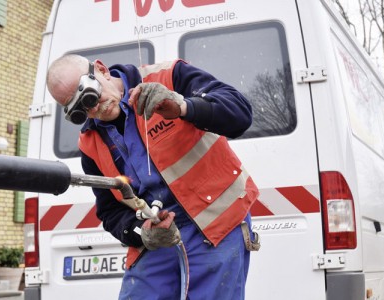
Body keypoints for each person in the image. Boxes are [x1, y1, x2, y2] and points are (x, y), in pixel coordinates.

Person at [46, 54, 260, 299]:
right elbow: (110, 212)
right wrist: (142, 232)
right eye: (81, 109)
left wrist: (183, 106)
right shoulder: (90, 143)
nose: (94, 108)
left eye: (90, 96)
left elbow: (240, 114)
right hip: (160, 238)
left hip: (216, 222)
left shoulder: (169, 77)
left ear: (102, 70)